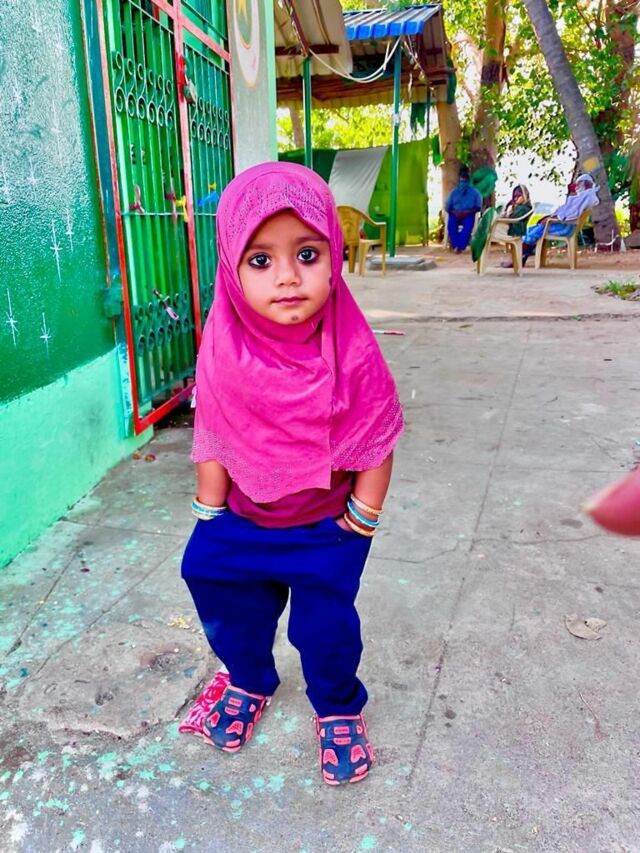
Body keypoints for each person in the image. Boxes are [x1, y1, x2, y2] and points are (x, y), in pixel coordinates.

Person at [181, 162, 404, 786]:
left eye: (307, 254)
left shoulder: (351, 344)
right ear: (232, 268)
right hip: (242, 519)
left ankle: (337, 705)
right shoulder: (222, 343)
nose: (287, 276)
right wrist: (209, 513)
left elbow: (376, 433)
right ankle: (249, 678)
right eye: (260, 260)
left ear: (333, 255)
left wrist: (362, 517)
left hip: (323, 527)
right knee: (215, 587)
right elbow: (215, 427)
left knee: (326, 629)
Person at [520, 173, 600, 265]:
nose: (577, 186)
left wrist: (552, 218)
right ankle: (524, 255)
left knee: (536, 230)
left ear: (585, 184)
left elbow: (572, 214)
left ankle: (521, 257)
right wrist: (551, 217)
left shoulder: (586, 197)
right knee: (534, 228)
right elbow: (569, 210)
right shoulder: (584, 197)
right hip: (566, 225)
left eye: (579, 184)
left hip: (566, 228)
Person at [445, 165, 483, 252]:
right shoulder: (453, 193)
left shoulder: (475, 193)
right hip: (455, 214)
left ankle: (460, 247)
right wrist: (455, 212)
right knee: (451, 225)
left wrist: (466, 212)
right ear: (459, 179)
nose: (463, 181)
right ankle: (456, 245)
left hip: (468, 214)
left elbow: (478, 207)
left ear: (469, 179)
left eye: (465, 179)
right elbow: (447, 207)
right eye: (462, 179)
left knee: (468, 226)